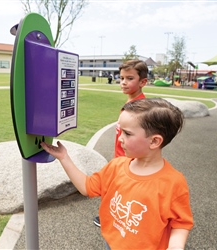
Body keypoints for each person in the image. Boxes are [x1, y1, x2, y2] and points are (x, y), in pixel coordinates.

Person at [41, 98, 194, 250]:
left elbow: (180, 223)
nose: (120, 138)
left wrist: (175, 246)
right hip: (112, 243)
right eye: (121, 131)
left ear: (154, 141)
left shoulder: (174, 183)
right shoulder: (116, 167)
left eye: (127, 133)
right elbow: (87, 187)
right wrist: (64, 157)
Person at [94, 59, 148, 227]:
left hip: (126, 160)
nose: (123, 82)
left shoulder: (137, 108)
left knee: (118, 190)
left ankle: (111, 219)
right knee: (115, 188)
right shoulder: (131, 103)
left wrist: (126, 161)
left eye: (130, 78)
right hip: (120, 158)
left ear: (143, 82)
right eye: (122, 78)